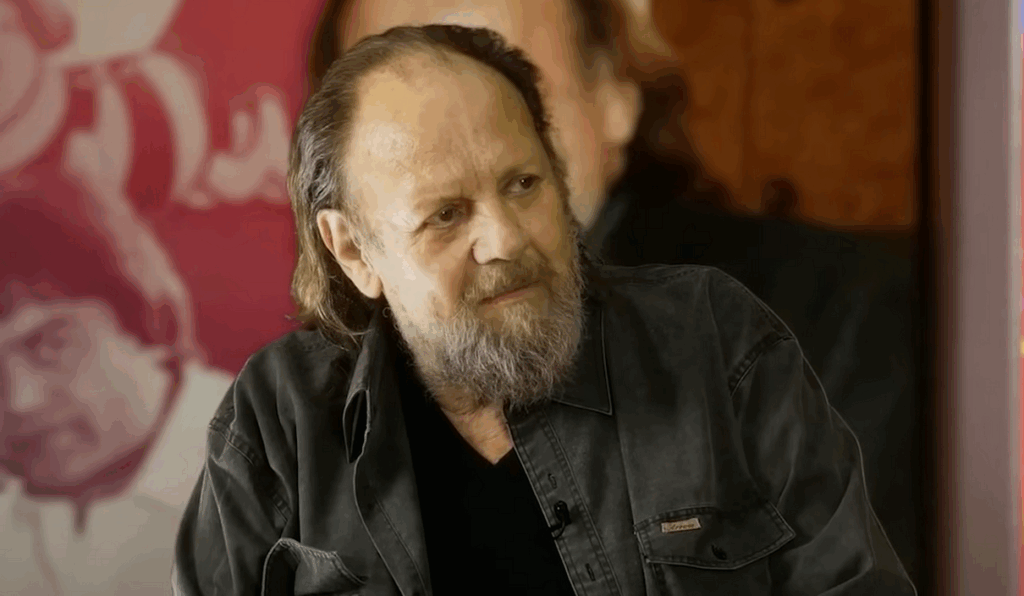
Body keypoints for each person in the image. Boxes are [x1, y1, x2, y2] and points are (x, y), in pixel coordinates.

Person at [172, 24, 915, 595]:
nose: (505, 239)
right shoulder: (279, 421)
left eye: (523, 184)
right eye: (446, 215)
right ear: (354, 252)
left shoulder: (714, 341)